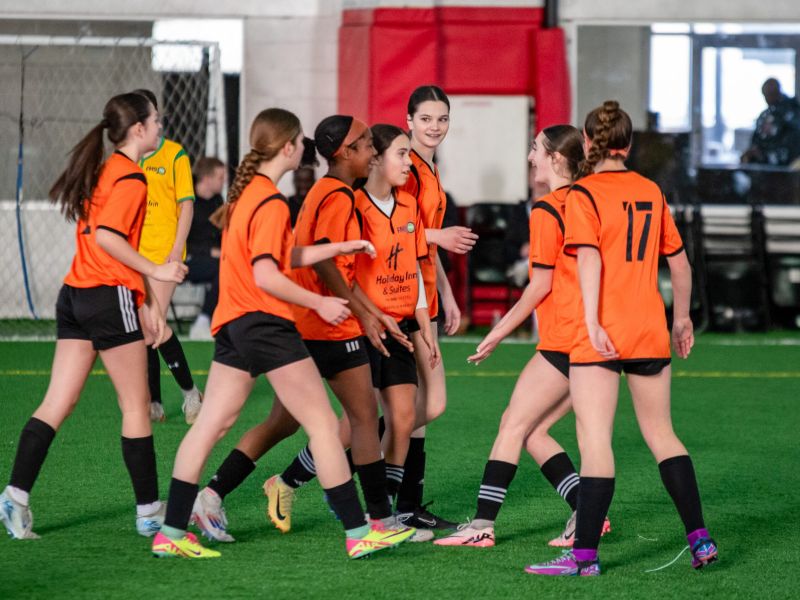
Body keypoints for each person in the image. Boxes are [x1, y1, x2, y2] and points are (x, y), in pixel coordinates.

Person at [151, 108, 414, 560]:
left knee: (214, 422)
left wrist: (339, 247)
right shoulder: (271, 200)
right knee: (323, 428)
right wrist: (320, 302)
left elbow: (282, 253)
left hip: (234, 323)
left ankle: (171, 532)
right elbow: (267, 273)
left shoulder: (252, 193)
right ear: (289, 147)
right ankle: (360, 532)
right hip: (265, 323)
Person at [526, 100, 717, 576]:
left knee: (595, 441)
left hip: (603, 335)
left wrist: (590, 323)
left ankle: (584, 558)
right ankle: (700, 540)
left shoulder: (583, 195)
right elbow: (679, 262)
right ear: (628, 145)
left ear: (588, 143)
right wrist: (682, 319)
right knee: (662, 434)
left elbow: (588, 261)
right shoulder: (651, 190)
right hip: (650, 327)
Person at [0, 92, 187, 540]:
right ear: (138, 129)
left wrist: (145, 298)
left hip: (75, 297)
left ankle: (15, 496)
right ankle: (148, 514)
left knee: (57, 403)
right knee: (136, 407)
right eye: (156, 120)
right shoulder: (131, 178)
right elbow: (107, 237)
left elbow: (104, 239)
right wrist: (156, 272)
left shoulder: (105, 170)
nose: (161, 127)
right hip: (106, 298)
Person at [435, 124, 610, 549]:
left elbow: (539, 286)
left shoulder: (547, 209)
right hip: (595, 340)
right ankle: (586, 513)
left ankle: (481, 526)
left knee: (512, 425)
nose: (530, 156)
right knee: (534, 431)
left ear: (554, 158)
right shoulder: (592, 201)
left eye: (535, 149)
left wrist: (495, 333)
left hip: (565, 339)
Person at [394, 85, 478, 537]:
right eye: (426, 118)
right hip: (399, 297)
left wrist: (447, 293)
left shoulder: (430, 167)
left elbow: (427, 240)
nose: (435, 127)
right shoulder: (405, 168)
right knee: (415, 408)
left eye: (442, 119)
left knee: (422, 408)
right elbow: (395, 230)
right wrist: (438, 237)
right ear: (409, 120)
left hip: (423, 296)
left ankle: (407, 506)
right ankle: (310, 470)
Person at [132, 89, 202, 424]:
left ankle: (190, 394)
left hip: (164, 254)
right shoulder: (129, 158)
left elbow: (186, 206)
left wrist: (176, 251)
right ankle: (155, 403)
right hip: (134, 256)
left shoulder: (175, 155)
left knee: (153, 325)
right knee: (144, 327)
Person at [186, 156, 226, 341]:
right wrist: (209, 251)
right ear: (207, 178)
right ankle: (203, 320)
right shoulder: (188, 202)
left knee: (233, 265)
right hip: (189, 259)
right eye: (220, 177)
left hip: (216, 258)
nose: (223, 181)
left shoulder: (218, 201)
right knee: (222, 268)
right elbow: (180, 241)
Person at [741, 78, 800, 166]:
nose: (768, 98)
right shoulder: (765, 116)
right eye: (766, 95)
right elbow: (757, 140)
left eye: (772, 94)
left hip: (787, 166)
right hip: (764, 168)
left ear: (778, 92)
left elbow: (793, 142)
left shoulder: (792, 112)